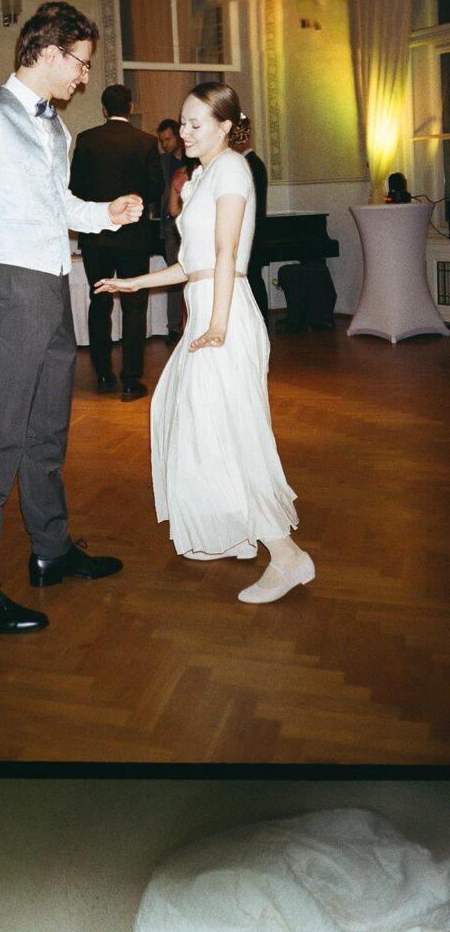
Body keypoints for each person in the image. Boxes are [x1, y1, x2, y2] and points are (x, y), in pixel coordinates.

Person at [0, 2, 143, 635]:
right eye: (81, 64)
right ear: (48, 52)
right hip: (11, 287)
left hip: (54, 283)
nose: (84, 78)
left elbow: (58, 205)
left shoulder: (58, 130)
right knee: (0, 438)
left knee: (47, 433)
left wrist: (105, 215)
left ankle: (51, 550)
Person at [96, 83, 314, 605]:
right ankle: (233, 531)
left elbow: (225, 253)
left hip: (225, 315)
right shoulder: (203, 175)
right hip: (208, 313)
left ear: (225, 126)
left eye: (197, 123)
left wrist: (216, 326)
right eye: (183, 122)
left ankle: (287, 557)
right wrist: (135, 283)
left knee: (231, 434)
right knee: (190, 420)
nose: (185, 132)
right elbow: (189, 265)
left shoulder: (232, 169)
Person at [70, 84, 163, 401]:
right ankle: (131, 380)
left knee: (99, 303)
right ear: (131, 108)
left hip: (96, 237)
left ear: (104, 109)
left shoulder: (86, 140)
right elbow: (156, 187)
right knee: (135, 307)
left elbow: (75, 188)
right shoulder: (146, 142)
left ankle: (103, 375)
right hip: (134, 237)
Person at [232, 115, 269, 322]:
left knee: (253, 280)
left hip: (251, 233)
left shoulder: (251, 165)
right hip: (251, 232)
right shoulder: (252, 164)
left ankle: (259, 322)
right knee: (251, 280)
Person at [157, 119, 186, 345]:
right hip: (170, 226)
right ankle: (174, 327)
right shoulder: (162, 162)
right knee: (174, 278)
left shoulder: (193, 160)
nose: (164, 144)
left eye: (168, 139)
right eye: (162, 140)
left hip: (193, 223)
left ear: (178, 136)